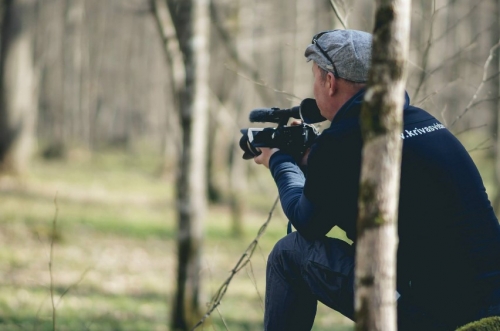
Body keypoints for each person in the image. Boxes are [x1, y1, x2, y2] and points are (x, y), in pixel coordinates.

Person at [253, 29, 500, 331]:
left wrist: (278, 160)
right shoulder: (424, 121)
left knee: (288, 254)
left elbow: (307, 221)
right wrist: (312, 159)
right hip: (488, 299)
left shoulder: (344, 142)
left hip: (432, 314)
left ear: (329, 82)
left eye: (315, 76)